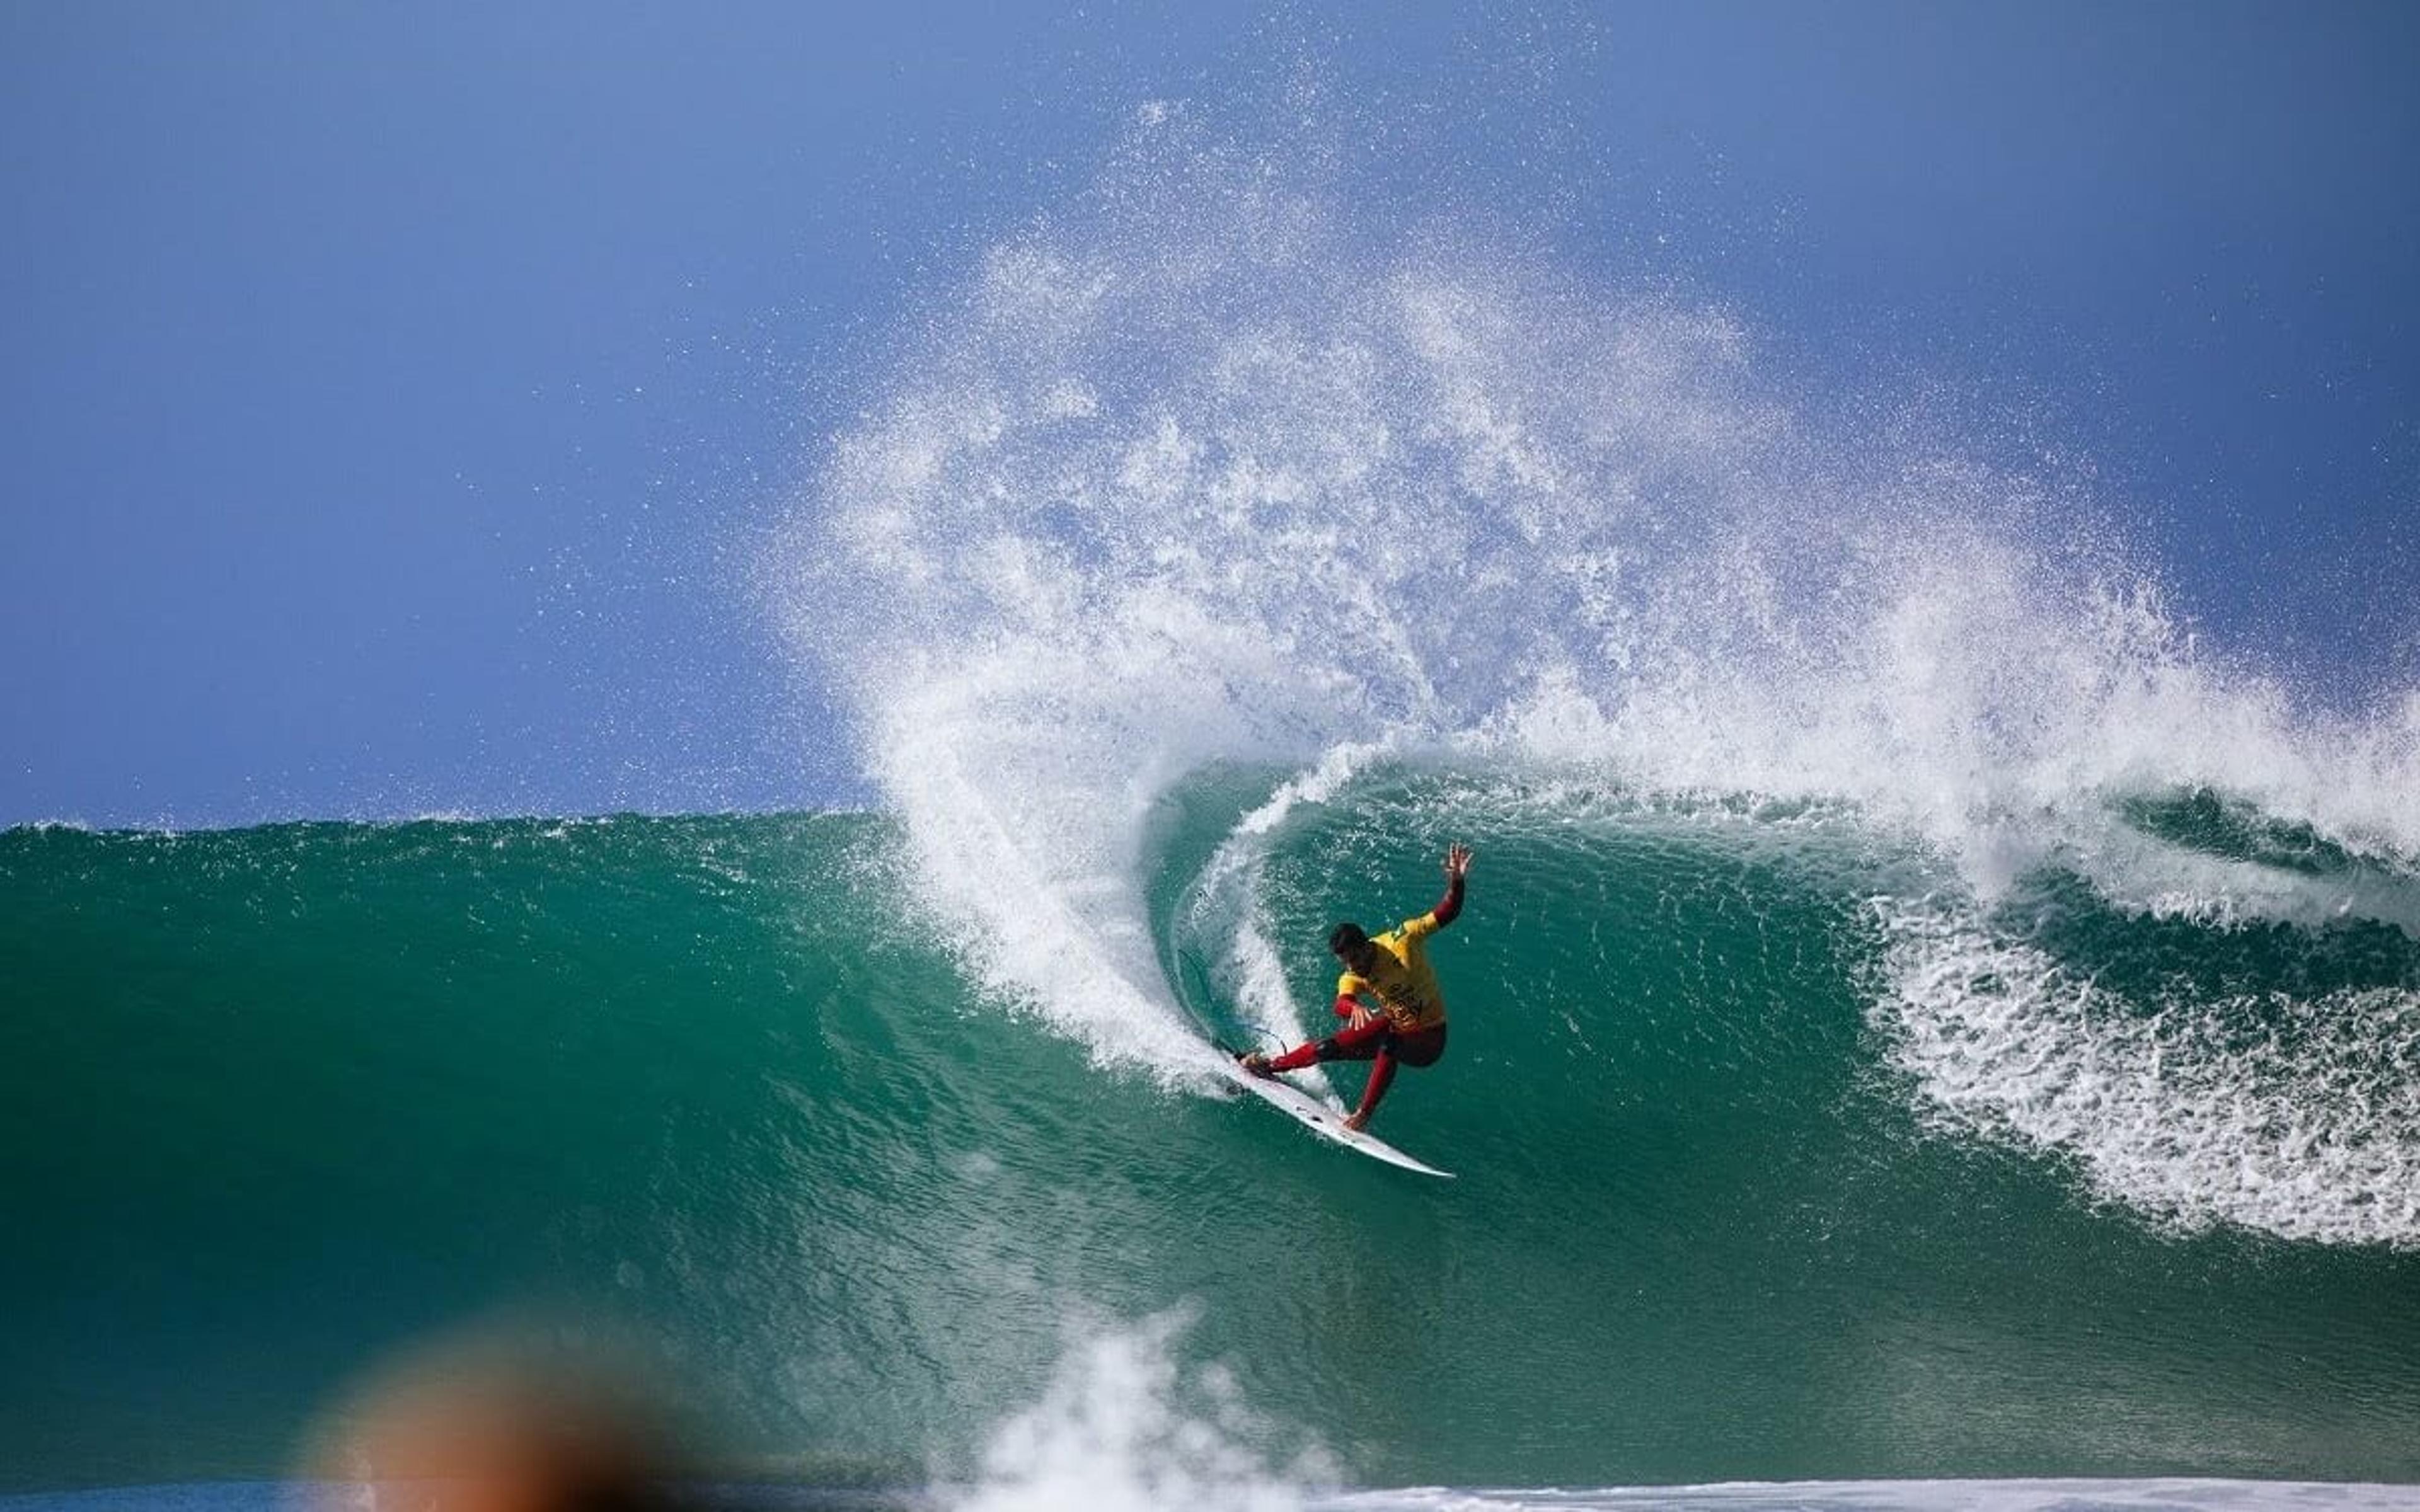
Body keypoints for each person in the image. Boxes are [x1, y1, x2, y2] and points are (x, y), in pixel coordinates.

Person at [1240, 844, 1472, 1131]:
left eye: (1355, 958)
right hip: (1394, 1026)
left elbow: (1447, 912)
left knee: (1390, 1043)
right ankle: (1270, 1066)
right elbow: (1341, 1003)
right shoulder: (1353, 974)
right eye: (1345, 962)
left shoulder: (1404, 939)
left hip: (1429, 1040)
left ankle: (1363, 1115)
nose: (1352, 967)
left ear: (1367, 945)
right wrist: (1354, 1007)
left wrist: (1456, 882)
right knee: (1326, 1048)